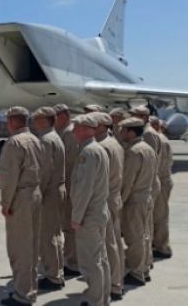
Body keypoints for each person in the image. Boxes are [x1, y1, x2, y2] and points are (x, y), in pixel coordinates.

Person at [0, 106, 44, 306]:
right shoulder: (35, 139)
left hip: (21, 197)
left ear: (12, 121)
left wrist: (6, 203)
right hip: (35, 193)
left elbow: (9, 178)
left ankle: (23, 295)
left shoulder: (14, 143)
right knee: (32, 246)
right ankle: (29, 290)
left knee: (19, 248)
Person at [70, 114, 110, 306]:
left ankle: (95, 301)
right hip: (98, 212)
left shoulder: (88, 153)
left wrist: (76, 217)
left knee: (91, 262)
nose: (72, 132)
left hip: (89, 215)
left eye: (75, 128)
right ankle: (102, 298)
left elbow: (84, 188)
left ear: (84, 129)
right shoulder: (97, 149)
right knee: (100, 258)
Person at [118, 117, 156, 286]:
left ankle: (136, 272)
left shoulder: (133, 152)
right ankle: (144, 268)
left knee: (135, 238)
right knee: (144, 235)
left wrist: (120, 202)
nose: (120, 133)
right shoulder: (148, 148)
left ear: (131, 132)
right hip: (145, 198)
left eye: (123, 130)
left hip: (134, 201)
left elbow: (127, 181)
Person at [32, 107, 66, 290]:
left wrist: (38, 195)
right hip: (57, 190)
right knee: (54, 235)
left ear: (45, 121)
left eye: (36, 120)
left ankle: (53, 277)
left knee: (47, 237)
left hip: (49, 193)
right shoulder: (54, 137)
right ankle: (57, 273)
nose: (34, 123)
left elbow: (44, 172)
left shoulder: (46, 140)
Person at [93, 112, 125, 302]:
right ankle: (116, 283)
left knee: (106, 245)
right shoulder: (114, 143)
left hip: (104, 199)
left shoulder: (102, 147)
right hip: (113, 197)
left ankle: (111, 286)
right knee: (113, 242)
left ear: (100, 126)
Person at [129, 107, 162, 280]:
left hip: (146, 185)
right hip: (149, 183)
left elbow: (146, 163)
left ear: (144, 117)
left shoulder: (147, 135)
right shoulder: (149, 133)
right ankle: (146, 262)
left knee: (142, 229)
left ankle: (142, 265)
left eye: (135, 116)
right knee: (145, 227)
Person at [53, 104, 80, 276]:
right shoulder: (64, 133)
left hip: (70, 188)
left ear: (63, 116)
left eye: (54, 116)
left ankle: (73, 263)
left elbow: (69, 166)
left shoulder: (69, 134)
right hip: (69, 188)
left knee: (70, 227)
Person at [152, 118, 174, 259]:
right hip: (161, 181)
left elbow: (159, 166)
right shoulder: (160, 140)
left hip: (161, 181)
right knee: (157, 215)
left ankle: (163, 247)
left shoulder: (160, 141)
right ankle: (157, 244)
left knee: (160, 216)